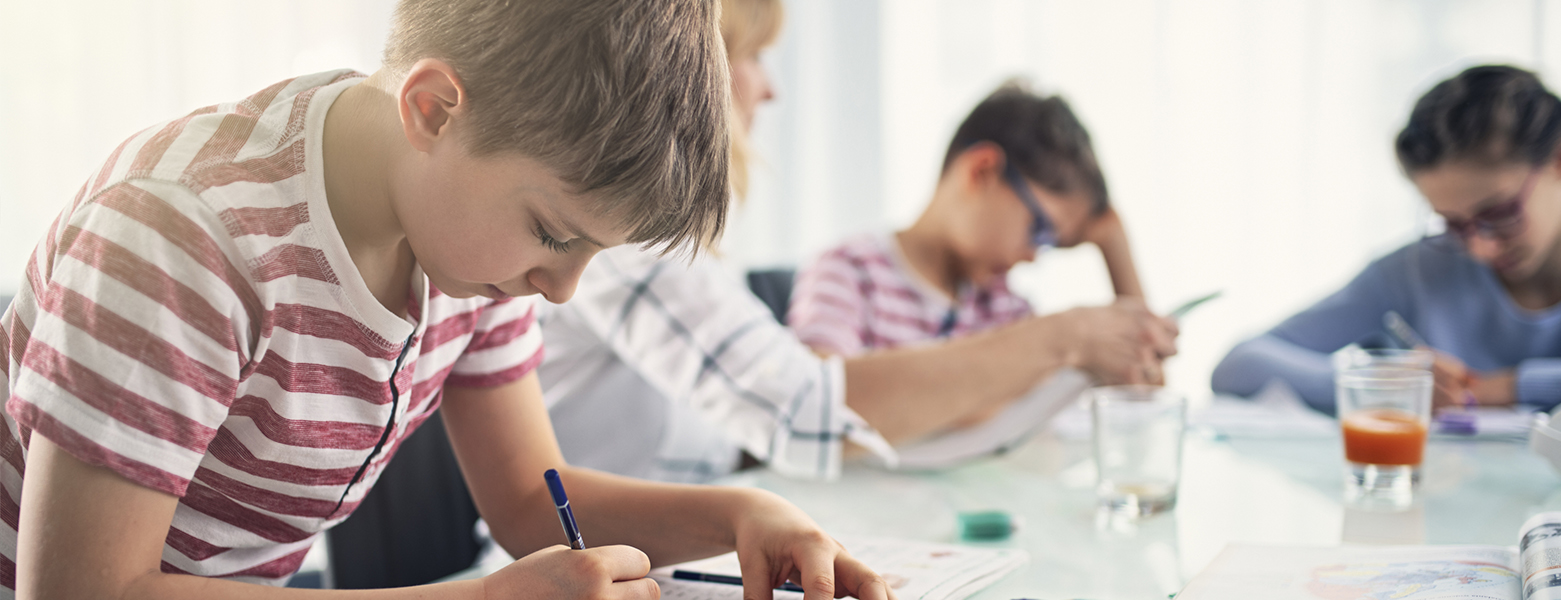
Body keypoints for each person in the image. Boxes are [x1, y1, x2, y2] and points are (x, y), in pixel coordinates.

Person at [0, 1, 894, 599]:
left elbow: (529, 500)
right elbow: (82, 592)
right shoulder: (186, 237)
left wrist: (743, 517)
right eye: (554, 233)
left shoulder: (469, 245)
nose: (562, 289)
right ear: (432, 110)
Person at [537, 0, 1178, 485]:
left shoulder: (677, 252)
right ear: (694, 69)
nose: (770, 87)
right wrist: (1063, 337)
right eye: (755, 55)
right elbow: (805, 413)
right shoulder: (620, 244)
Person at [1211, 65, 1561, 414]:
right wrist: (1385, 386)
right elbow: (1240, 365)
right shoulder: (1417, 271)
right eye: (1454, 225)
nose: (1480, 248)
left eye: (1498, 215)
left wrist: (1506, 388)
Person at [787, 82, 1161, 364]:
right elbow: (818, 404)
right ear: (982, 172)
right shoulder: (848, 273)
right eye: (1040, 230)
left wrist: (1113, 238)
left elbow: (1144, 393)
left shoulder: (1003, 308)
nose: (1033, 257)